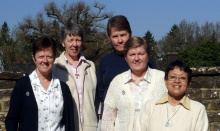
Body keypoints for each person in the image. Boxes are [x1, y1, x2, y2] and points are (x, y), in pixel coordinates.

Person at [5, 36, 75, 131]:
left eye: (49, 56)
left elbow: (70, 123)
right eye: (41, 56)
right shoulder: (22, 85)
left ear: (54, 58)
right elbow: (11, 120)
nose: (45, 61)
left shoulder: (63, 89)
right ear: (34, 58)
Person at [95, 15, 156, 121]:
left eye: (123, 35)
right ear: (109, 38)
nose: (120, 40)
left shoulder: (145, 61)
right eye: (115, 36)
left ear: (130, 34)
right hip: (113, 119)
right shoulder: (105, 62)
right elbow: (100, 91)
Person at [101, 36, 167, 131]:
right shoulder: (117, 82)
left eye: (141, 54)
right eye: (132, 54)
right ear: (126, 58)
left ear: (148, 56)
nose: (136, 58)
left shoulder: (162, 79)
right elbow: (107, 120)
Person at [138, 60, 209, 131]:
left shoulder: (198, 109)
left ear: (188, 82)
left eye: (182, 78)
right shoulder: (150, 106)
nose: (177, 81)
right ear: (165, 80)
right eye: (172, 77)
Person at [52, 23, 97, 131]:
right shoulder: (55, 66)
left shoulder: (90, 66)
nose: (75, 44)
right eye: (70, 40)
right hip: (66, 126)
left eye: (78, 40)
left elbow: (95, 99)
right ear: (63, 43)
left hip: (90, 127)